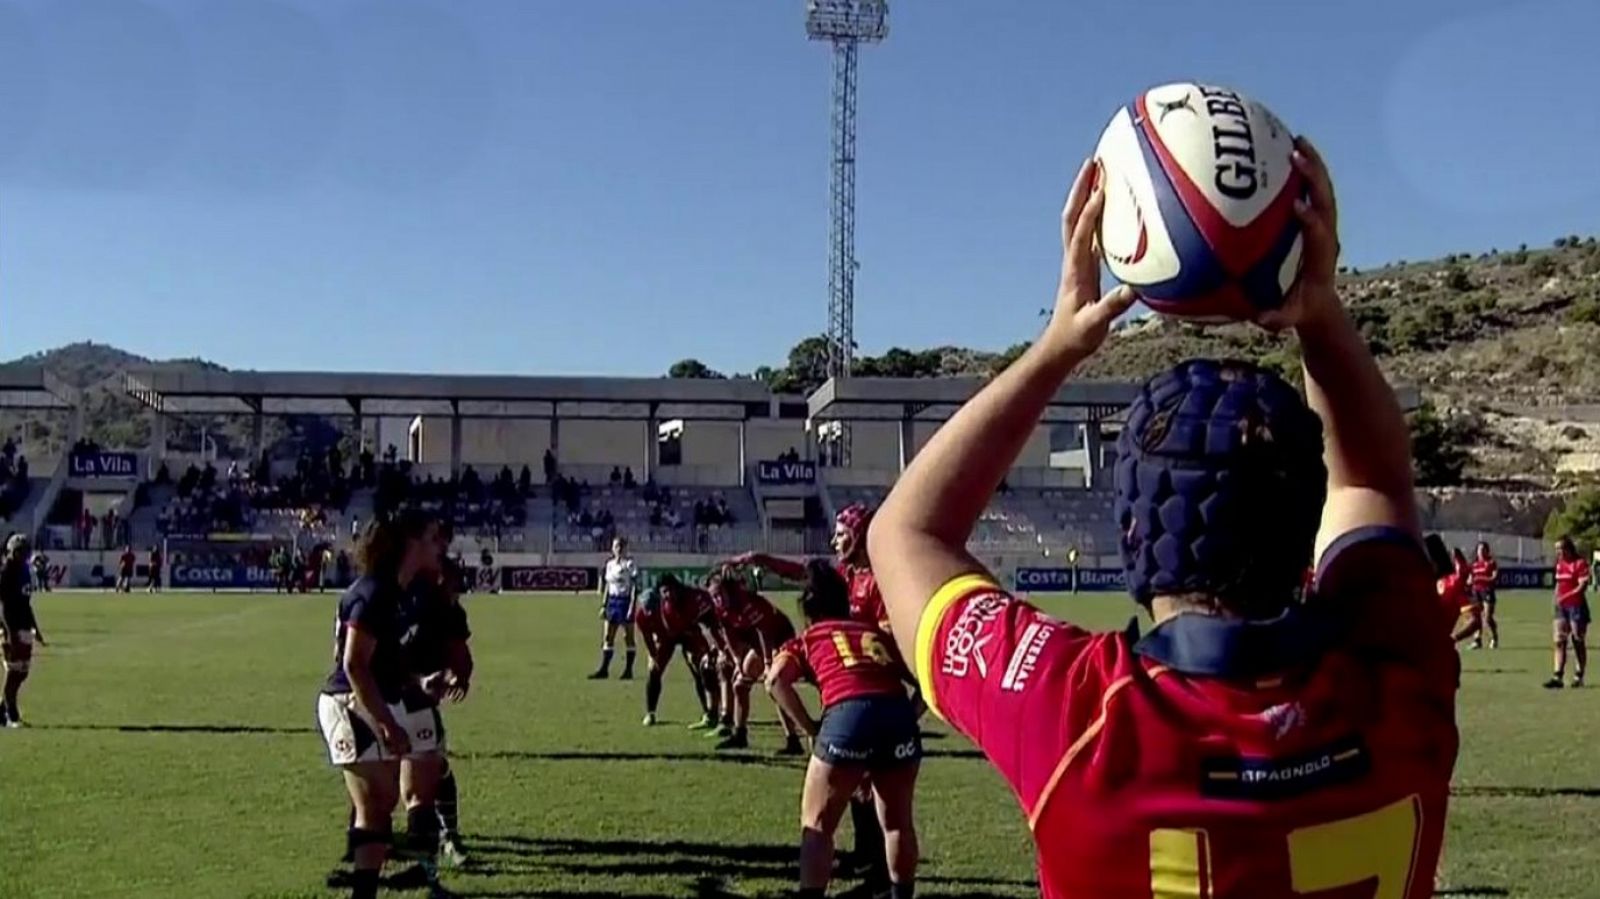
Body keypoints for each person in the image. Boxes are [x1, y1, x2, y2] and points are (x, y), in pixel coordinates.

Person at [867, 147, 1458, 896]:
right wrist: (1322, 313)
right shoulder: (1398, 674)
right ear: (1305, 528)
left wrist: (1057, 347)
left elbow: (904, 533)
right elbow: (1372, 478)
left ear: (1133, 535)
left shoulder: (1075, 717)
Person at [766, 561, 920, 899]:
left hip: (848, 715)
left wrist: (810, 728)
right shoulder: (874, 634)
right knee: (897, 823)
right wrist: (908, 716)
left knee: (818, 825)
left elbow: (775, 681)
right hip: (897, 717)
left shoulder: (808, 638)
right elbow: (923, 679)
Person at [315, 510, 449, 899]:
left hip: (371, 700)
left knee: (379, 805)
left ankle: (368, 888)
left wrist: (420, 681)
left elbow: (383, 661)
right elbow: (353, 664)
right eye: (431, 538)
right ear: (410, 543)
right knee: (378, 801)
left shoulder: (396, 591)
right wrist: (388, 723)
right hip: (348, 703)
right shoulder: (376, 593)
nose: (438, 546)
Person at [705, 570, 801, 753]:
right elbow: (728, 634)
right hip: (759, 643)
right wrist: (736, 660)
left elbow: (764, 631)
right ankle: (740, 735)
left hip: (779, 637)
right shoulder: (721, 609)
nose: (718, 599)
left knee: (774, 686)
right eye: (714, 597)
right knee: (740, 686)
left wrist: (767, 663)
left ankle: (793, 739)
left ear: (728, 591)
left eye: (720, 594)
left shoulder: (745, 602)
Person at [635, 573, 719, 728]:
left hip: (689, 633)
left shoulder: (692, 598)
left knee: (700, 668)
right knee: (654, 670)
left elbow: (710, 621)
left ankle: (709, 712)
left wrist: (709, 646)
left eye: (670, 590)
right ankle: (650, 713)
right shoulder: (644, 612)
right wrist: (653, 654)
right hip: (665, 637)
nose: (668, 595)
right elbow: (647, 635)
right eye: (664, 592)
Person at [1, 534, 42, 727]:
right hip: (12, 625)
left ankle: (3, 709)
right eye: (21, 551)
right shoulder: (6, 572)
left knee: (22, 671)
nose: (24, 555)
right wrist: (9, 633)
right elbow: (2, 605)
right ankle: (11, 713)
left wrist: (35, 628)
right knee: (14, 671)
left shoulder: (23, 570)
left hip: (23, 624)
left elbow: (26, 603)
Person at [590, 536, 640, 680]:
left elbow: (634, 587)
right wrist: (604, 605)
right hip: (612, 601)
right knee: (608, 636)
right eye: (615, 546)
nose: (617, 549)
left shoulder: (629, 564)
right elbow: (608, 586)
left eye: (619, 546)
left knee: (628, 637)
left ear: (625, 548)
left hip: (625, 601)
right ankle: (604, 669)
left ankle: (628, 670)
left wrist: (631, 607)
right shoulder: (610, 564)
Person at [1548, 536, 1590, 689]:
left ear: (1568, 548)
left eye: (1560, 548)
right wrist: (1556, 598)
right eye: (1556, 549)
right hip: (1561, 607)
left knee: (1577, 639)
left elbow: (1582, 587)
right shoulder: (1559, 564)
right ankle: (1557, 676)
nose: (1558, 552)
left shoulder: (1580, 563)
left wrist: (1565, 597)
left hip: (1576, 606)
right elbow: (1559, 584)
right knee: (1559, 640)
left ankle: (1579, 675)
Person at [1469, 541, 1499, 649]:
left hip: (1487, 591)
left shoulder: (1491, 563)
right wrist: (1468, 583)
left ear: (1487, 551)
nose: (1480, 552)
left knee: (1487, 618)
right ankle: (1477, 640)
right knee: (1476, 618)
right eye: (1479, 549)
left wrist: (1480, 578)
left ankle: (1494, 637)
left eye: (1483, 549)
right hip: (1475, 592)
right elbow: (1470, 579)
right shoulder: (1474, 564)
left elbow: (1494, 577)